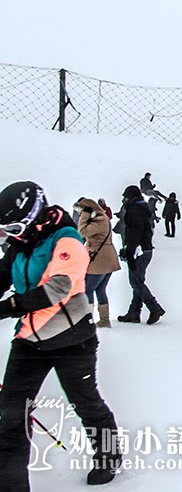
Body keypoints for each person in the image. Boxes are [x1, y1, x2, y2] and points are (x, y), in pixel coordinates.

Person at [0, 181, 122, 488]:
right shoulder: (20, 243)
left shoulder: (67, 240)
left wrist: (10, 306)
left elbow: (56, 290)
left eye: (14, 226)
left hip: (72, 339)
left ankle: (109, 456)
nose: (10, 234)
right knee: (12, 414)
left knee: (86, 403)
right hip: (29, 341)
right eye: (4, 229)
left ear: (34, 214)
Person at [117, 185, 166, 323]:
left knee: (136, 281)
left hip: (140, 249)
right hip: (144, 249)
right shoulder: (139, 208)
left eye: (125, 196)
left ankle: (154, 308)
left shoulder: (136, 210)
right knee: (137, 281)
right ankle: (134, 313)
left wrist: (130, 250)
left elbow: (135, 232)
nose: (124, 199)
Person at [75, 197, 120, 328]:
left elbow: (82, 232)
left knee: (87, 289)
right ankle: (104, 320)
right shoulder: (102, 219)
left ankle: (87, 321)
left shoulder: (99, 221)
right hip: (106, 258)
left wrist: (84, 215)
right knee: (100, 290)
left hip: (100, 259)